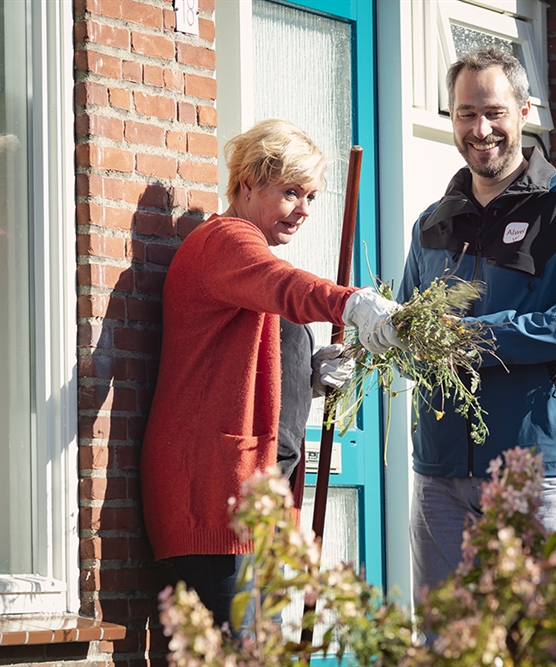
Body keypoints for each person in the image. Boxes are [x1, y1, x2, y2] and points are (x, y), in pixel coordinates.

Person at [140, 119, 400, 630]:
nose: (303, 209)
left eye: (311, 196)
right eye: (289, 193)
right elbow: (283, 285)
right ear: (246, 186)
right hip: (214, 499)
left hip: (251, 502)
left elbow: (252, 360)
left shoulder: (245, 258)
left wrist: (309, 373)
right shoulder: (226, 241)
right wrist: (351, 304)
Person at [398, 48, 556, 600]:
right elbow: (410, 335)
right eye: (465, 114)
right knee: (446, 647)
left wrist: (488, 338)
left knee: (549, 645)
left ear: (524, 111)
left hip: (538, 476)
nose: (480, 129)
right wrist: (377, 338)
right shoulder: (432, 223)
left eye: (494, 112)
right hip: (440, 476)